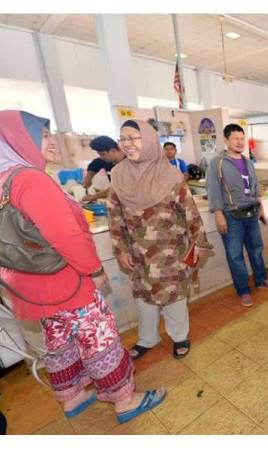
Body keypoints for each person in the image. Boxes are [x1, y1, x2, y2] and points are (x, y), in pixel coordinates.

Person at [0, 110, 165, 424]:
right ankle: (124, 399)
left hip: (31, 288)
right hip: (65, 282)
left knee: (59, 339)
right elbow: (66, 235)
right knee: (98, 337)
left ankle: (73, 397)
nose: (52, 141)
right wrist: (94, 270)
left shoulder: (4, 179)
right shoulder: (30, 180)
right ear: (20, 139)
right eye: (43, 135)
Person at [108, 120, 212, 361]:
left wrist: (195, 253)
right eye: (123, 138)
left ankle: (179, 336)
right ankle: (148, 338)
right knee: (144, 297)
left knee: (173, 296)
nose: (127, 143)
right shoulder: (119, 175)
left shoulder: (171, 176)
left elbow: (191, 217)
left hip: (170, 252)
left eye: (134, 137)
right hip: (137, 252)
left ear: (149, 140)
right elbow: (115, 216)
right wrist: (120, 249)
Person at [206, 124, 268, 308]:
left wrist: (260, 207)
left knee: (256, 249)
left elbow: (254, 187)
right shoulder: (217, 163)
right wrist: (219, 214)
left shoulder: (247, 162)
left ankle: (261, 280)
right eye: (235, 138)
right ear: (226, 140)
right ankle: (243, 290)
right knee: (235, 255)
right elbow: (213, 190)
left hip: (252, 213)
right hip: (231, 216)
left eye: (241, 138)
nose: (239, 142)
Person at [81, 136, 125, 202]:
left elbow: (117, 189)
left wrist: (94, 196)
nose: (101, 157)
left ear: (113, 150)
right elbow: (95, 163)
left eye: (103, 154)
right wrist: (88, 178)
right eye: (100, 155)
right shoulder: (108, 160)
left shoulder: (128, 165)